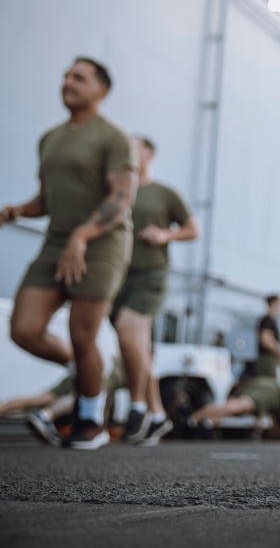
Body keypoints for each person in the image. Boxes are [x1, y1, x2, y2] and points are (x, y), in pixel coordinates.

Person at [1, 57, 136, 450]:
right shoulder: (50, 138)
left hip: (102, 242)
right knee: (24, 329)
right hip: (58, 241)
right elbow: (46, 198)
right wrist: (18, 211)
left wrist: (83, 235)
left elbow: (121, 198)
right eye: (65, 76)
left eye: (79, 77)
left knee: (82, 333)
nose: (68, 82)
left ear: (101, 91)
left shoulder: (113, 137)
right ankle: (85, 370)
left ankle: (91, 421)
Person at [110, 135, 199, 445]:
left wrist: (164, 235)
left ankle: (137, 408)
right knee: (138, 350)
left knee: (127, 332)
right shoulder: (116, 193)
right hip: (117, 275)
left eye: (134, 146)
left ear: (148, 154)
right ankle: (159, 416)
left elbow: (192, 229)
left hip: (151, 275)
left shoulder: (164, 193)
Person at [1, 356, 127, 446]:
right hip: (99, 375)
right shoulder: (134, 369)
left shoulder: (119, 357)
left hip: (89, 367)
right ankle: (44, 415)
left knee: (40, 399)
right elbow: (105, 403)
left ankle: (4, 409)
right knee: (84, 398)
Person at [186, 375, 280, 437]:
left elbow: (277, 427)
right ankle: (191, 420)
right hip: (269, 392)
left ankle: (205, 423)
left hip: (266, 387)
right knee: (233, 408)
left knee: (232, 410)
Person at [247, 294, 280, 378]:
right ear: (273, 303)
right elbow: (266, 340)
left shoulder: (272, 320)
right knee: (268, 384)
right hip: (266, 359)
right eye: (278, 303)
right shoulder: (267, 320)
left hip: (270, 358)